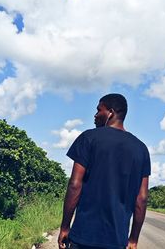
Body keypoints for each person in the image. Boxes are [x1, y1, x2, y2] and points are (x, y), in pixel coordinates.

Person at [58, 93, 151, 249]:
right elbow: (141, 198)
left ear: (111, 113)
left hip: (83, 236)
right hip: (117, 241)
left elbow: (75, 185)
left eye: (98, 110)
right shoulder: (141, 149)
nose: (95, 115)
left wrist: (65, 227)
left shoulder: (88, 138)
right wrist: (133, 239)